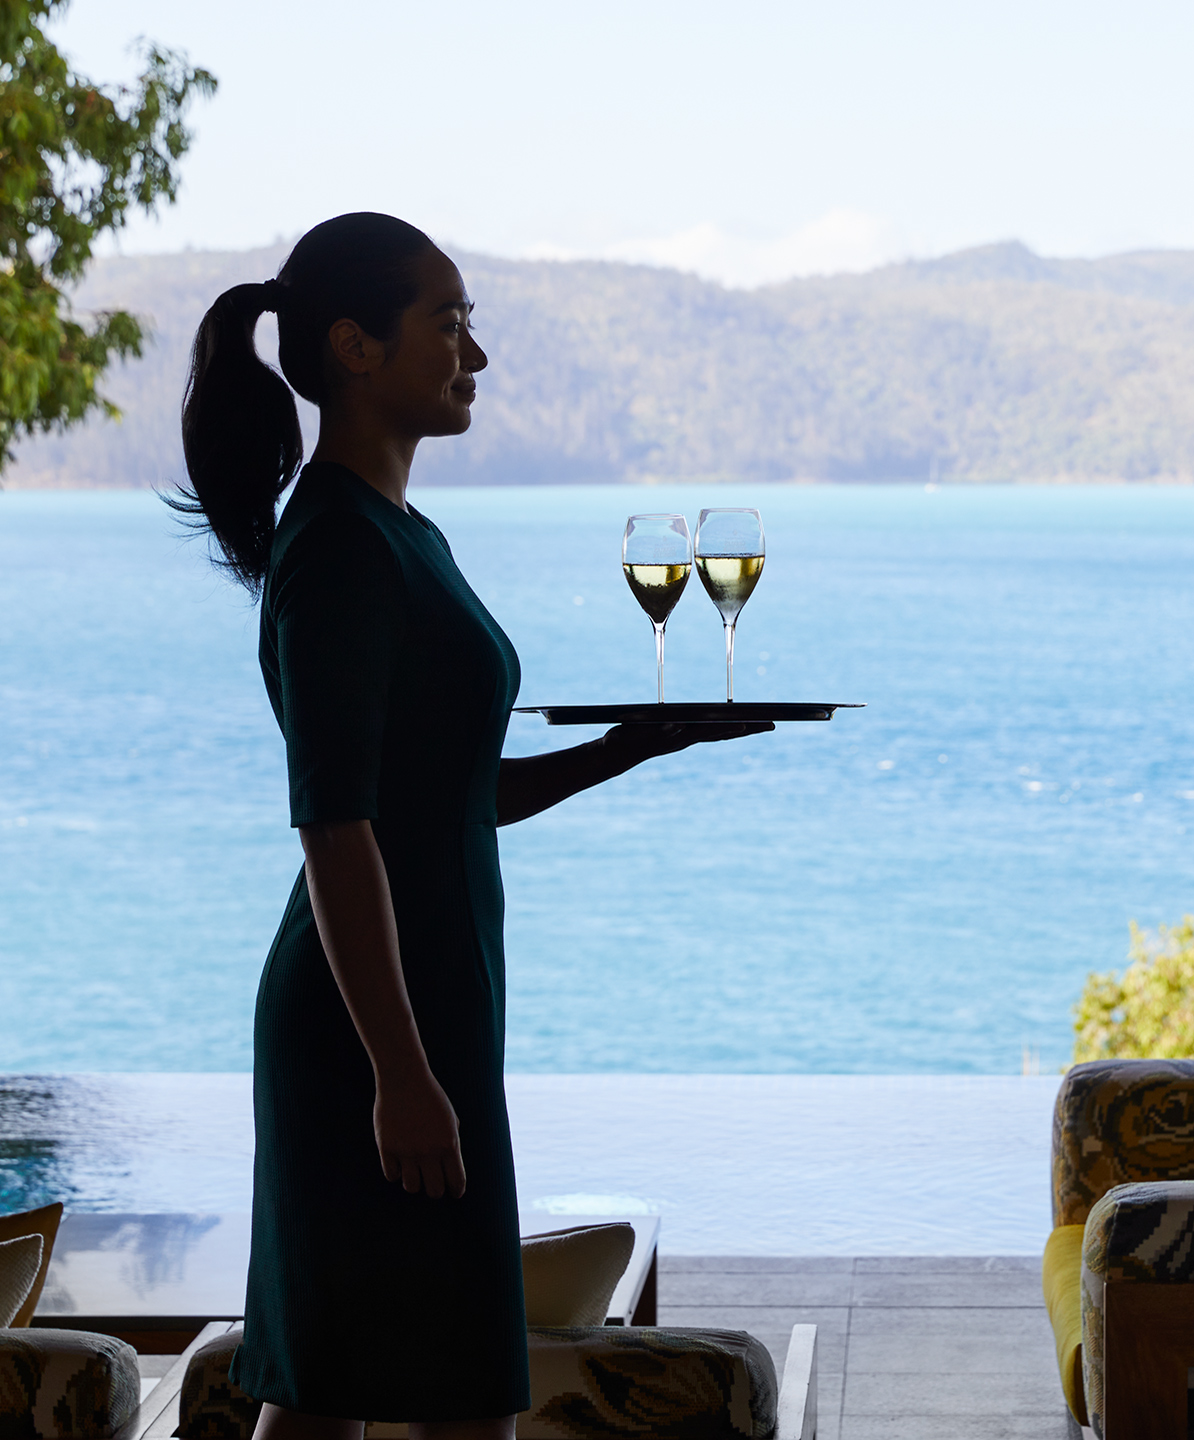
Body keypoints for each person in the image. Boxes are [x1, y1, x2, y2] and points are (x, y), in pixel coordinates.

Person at [174, 212, 765, 1440]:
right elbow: (334, 830)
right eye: (448, 324)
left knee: (351, 1385)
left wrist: (627, 746)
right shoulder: (339, 546)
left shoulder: (398, 532)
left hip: (426, 1009)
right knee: (417, 1386)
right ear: (354, 346)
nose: (474, 357)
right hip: (368, 1031)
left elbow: (445, 797)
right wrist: (398, 1073)